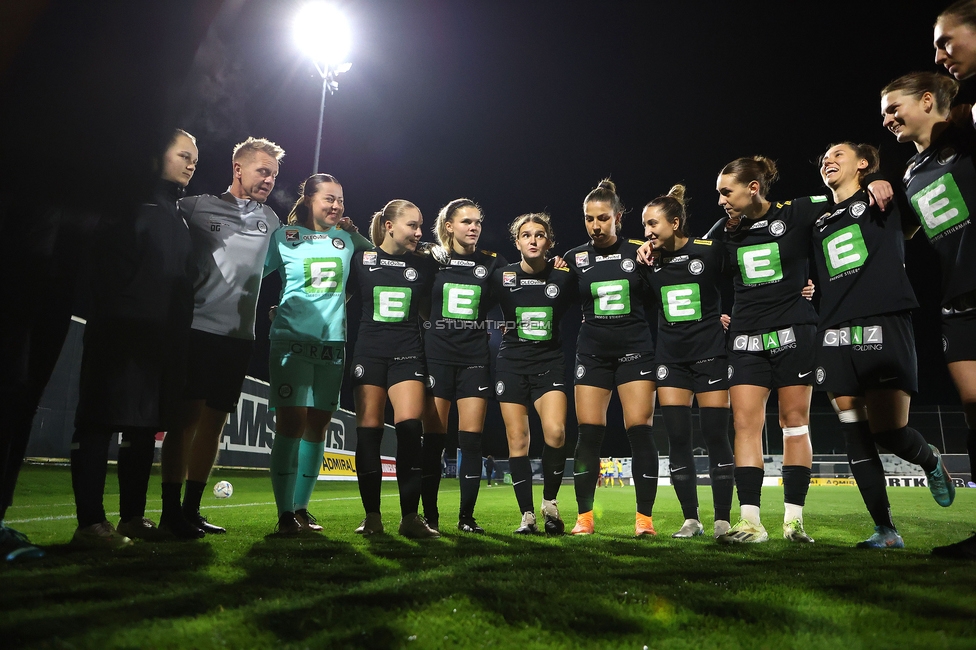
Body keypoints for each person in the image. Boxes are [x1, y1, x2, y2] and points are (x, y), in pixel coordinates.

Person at [812, 141, 954, 548]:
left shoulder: (884, 201)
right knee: (854, 434)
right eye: (825, 157)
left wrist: (883, 183)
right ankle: (885, 530)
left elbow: (916, 222)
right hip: (834, 329)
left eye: (839, 154)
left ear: (864, 164)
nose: (829, 160)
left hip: (883, 320)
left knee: (889, 430)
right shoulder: (817, 219)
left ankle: (930, 460)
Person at [68, 129, 200, 547]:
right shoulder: (126, 207)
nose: (191, 163)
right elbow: (103, 273)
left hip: (161, 342)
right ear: (155, 155)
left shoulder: (176, 214)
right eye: (183, 154)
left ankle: (132, 518)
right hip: (121, 333)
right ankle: (90, 523)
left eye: (194, 158)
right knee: (97, 423)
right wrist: (119, 317)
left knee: (143, 428)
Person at [159, 137, 285, 536]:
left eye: (274, 175)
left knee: (214, 423)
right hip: (196, 329)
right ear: (238, 168)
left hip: (239, 336)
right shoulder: (194, 207)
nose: (268, 180)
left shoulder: (273, 222)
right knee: (184, 422)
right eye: (263, 171)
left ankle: (192, 511)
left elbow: (272, 268)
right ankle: (169, 512)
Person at [705, 157, 825, 544]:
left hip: (794, 331)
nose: (721, 199)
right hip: (745, 337)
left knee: (794, 422)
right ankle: (751, 522)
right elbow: (693, 259)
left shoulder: (798, 212)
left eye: (727, 191)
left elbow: (842, 205)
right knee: (745, 424)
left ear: (753, 187)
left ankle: (794, 521)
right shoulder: (724, 231)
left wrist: (873, 187)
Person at [882, 67, 973, 557]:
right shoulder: (911, 172)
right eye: (883, 114)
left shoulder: (968, 138)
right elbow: (901, 235)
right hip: (957, 301)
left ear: (925, 100)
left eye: (894, 108)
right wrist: (880, 194)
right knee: (975, 412)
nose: (888, 119)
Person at [263, 174, 373, 534]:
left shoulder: (347, 239)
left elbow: (380, 263)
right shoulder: (284, 237)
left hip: (332, 345)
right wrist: (268, 308)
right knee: (292, 423)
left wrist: (356, 233)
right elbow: (253, 275)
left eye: (340, 199)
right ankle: (283, 514)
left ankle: (301, 509)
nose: (335, 205)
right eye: (328, 198)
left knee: (318, 426)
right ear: (308, 199)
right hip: (290, 342)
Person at [638, 184, 735, 539]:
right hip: (671, 361)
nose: (647, 233)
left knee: (715, 435)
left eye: (653, 225)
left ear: (675, 222)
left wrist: (800, 286)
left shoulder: (709, 252)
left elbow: (749, 280)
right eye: (645, 226)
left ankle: (722, 519)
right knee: (678, 439)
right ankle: (691, 519)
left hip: (710, 355)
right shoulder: (647, 261)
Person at [564, 179, 659, 537]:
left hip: (636, 351)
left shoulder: (641, 251)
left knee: (640, 432)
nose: (595, 225)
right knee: (588, 435)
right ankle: (584, 518)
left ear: (618, 217)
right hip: (592, 352)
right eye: (589, 219)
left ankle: (644, 521)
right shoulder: (574, 259)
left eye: (603, 218)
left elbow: (671, 287)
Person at [349, 200, 439, 539]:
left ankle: (409, 518)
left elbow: (433, 313)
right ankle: (372, 517)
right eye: (412, 226)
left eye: (420, 227)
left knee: (409, 430)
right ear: (389, 225)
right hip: (369, 354)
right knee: (369, 432)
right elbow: (331, 297)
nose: (418, 233)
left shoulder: (425, 266)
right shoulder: (361, 261)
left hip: (408, 355)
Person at [420, 199, 507, 534]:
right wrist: (428, 248)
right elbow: (420, 301)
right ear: (449, 227)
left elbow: (523, 280)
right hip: (437, 358)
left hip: (474, 360)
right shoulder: (432, 261)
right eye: (466, 222)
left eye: (478, 222)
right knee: (434, 441)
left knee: (471, 441)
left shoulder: (493, 262)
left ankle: (467, 518)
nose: (473, 227)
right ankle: (431, 517)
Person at [491, 212, 577, 534]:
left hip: (549, 362)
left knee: (556, 432)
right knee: (518, 440)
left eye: (539, 235)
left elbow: (592, 296)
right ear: (517, 242)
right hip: (511, 363)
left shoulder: (564, 277)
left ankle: (550, 503)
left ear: (549, 242)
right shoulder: (502, 277)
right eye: (526, 235)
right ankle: (527, 515)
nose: (533, 240)